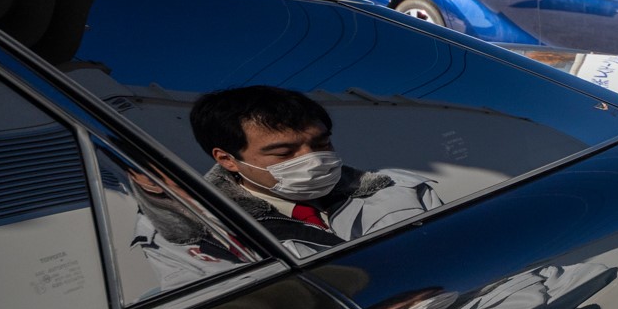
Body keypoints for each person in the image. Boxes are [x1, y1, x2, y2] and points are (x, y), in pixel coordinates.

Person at [133, 85, 440, 270]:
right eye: (283, 153)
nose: (311, 160)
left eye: (321, 144)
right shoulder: (196, 234)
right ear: (227, 159)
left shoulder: (400, 189)